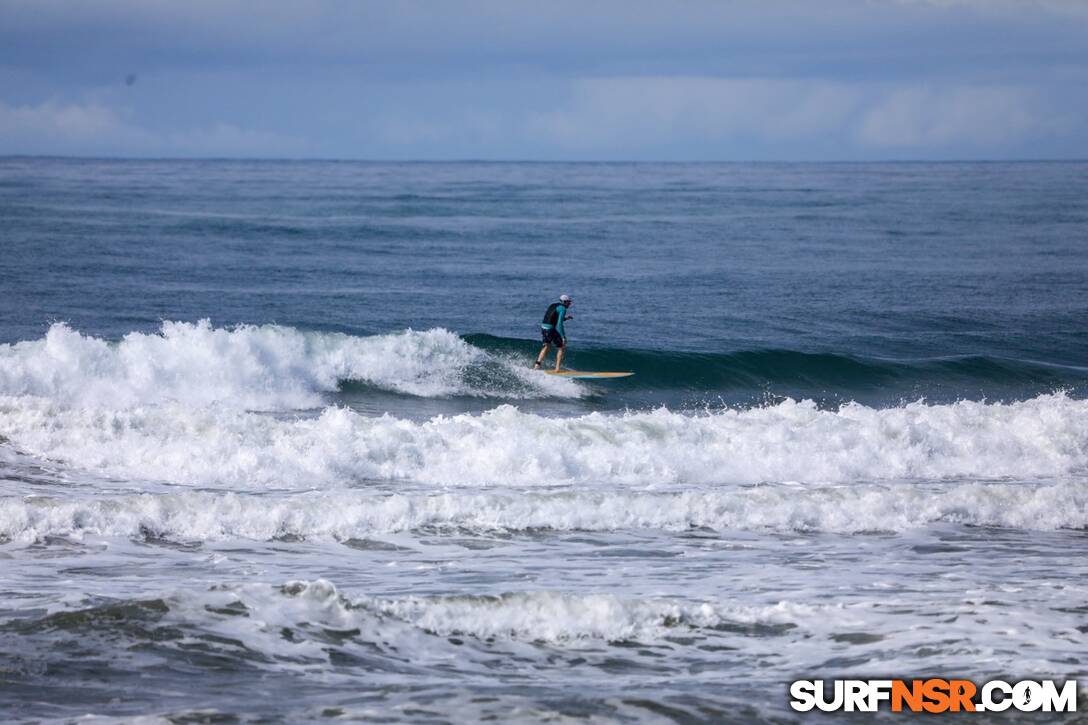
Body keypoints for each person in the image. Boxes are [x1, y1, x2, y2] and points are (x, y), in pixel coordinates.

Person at [533, 294, 573, 371]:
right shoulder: (563, 309)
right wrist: (563, 336)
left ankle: (536, 366)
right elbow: (559, 324)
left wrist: (565, 318)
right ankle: (557, 369)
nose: (570, 304)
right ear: (565, 302)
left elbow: (552, 317)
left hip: (543, 327)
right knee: (561, 346)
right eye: (568, 302)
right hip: (550, 329)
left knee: (546, 346)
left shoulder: (553, 305)